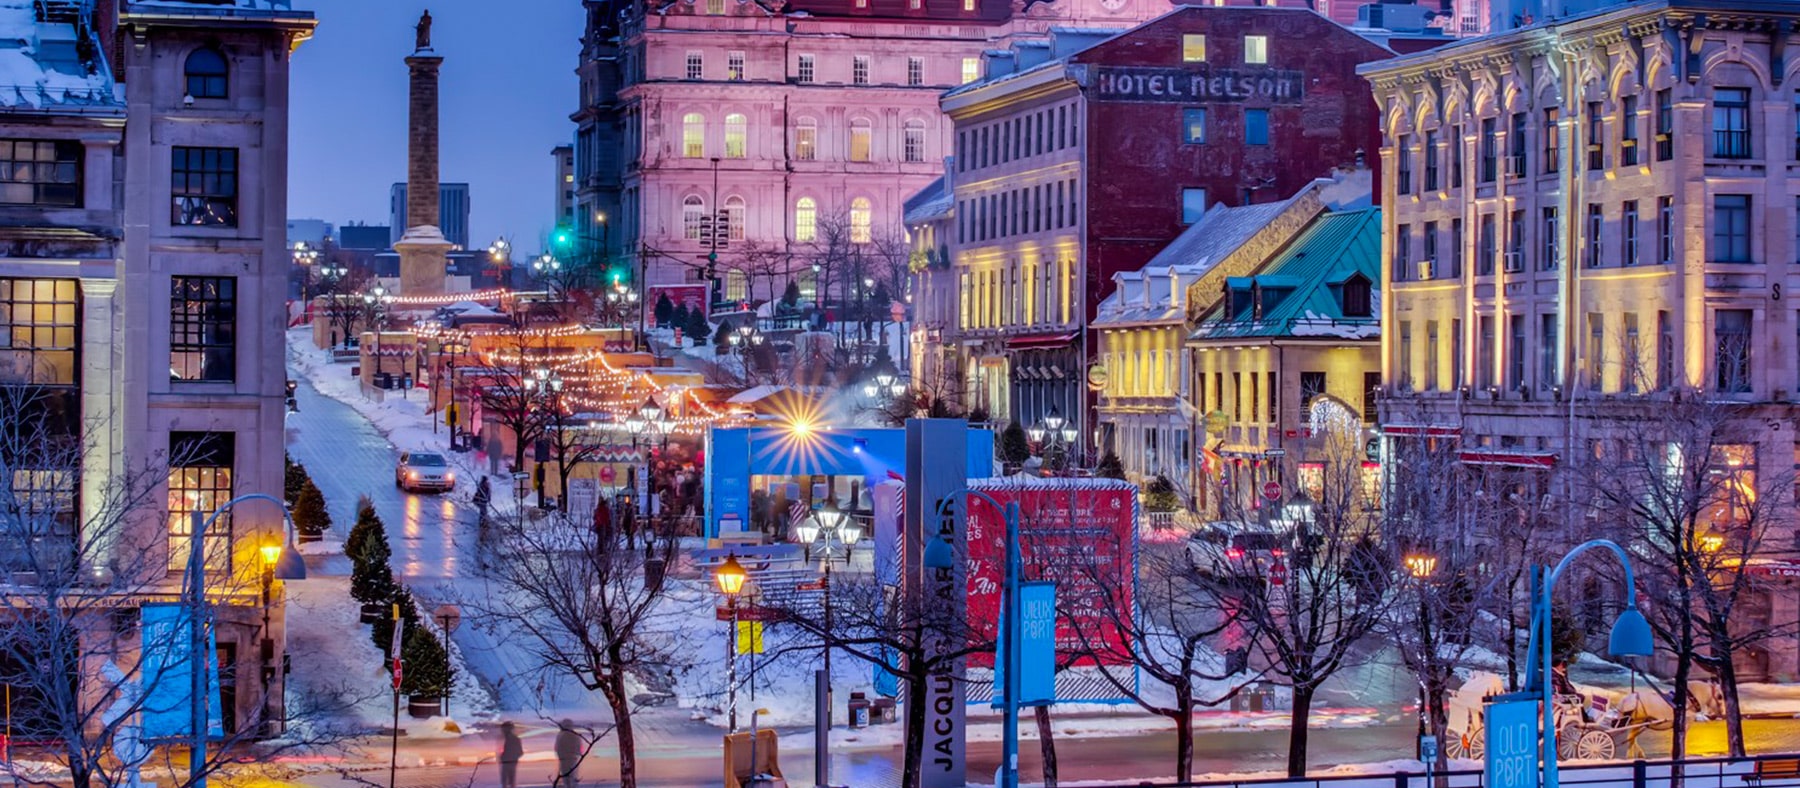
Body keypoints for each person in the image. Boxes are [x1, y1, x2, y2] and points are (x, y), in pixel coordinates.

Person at [553, 719, 581, 788]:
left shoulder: (560, 735)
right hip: (573, 760)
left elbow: (557, 748)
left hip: (564, 760)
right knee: (573, 777)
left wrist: (560, 756)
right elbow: (579, 749)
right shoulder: (575, 735)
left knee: (566, 778)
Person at [497, 721, 522, 788]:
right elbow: (520, 752)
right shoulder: (515, 739)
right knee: (510, 782)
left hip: (508, 763)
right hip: (510, 762)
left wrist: (506, 757)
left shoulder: (511, 739)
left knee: (506, 782)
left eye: (503, 728)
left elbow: (520, 752)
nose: (502, 730)